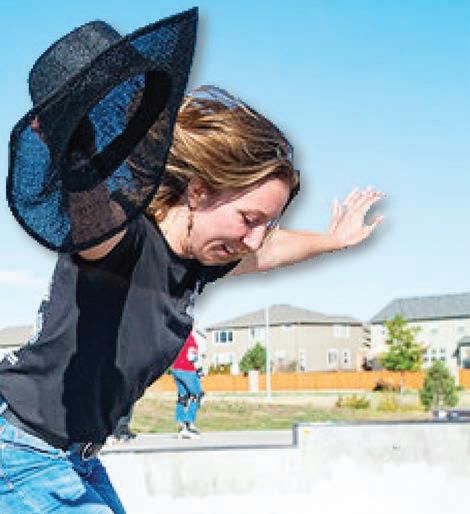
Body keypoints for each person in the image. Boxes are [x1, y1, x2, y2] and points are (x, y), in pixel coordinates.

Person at [0, 10, 384, 514]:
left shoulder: (198, 263)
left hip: (78, 458)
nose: (253, 239)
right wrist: (76, 144)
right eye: (248, 218)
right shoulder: (121, 240)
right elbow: (90, 210)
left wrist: (332, 240)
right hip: (22, 453)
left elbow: (271, 250)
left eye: (265, 224)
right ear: (199, 192)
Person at [172, 333, 205, 439]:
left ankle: (181, 426)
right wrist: (199, 371)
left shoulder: (177, 336)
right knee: (198, 395)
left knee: (183, 397)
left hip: (176, 369)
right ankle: (189, 423)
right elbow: (192, 357)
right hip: (187, 370)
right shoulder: (190, 338)